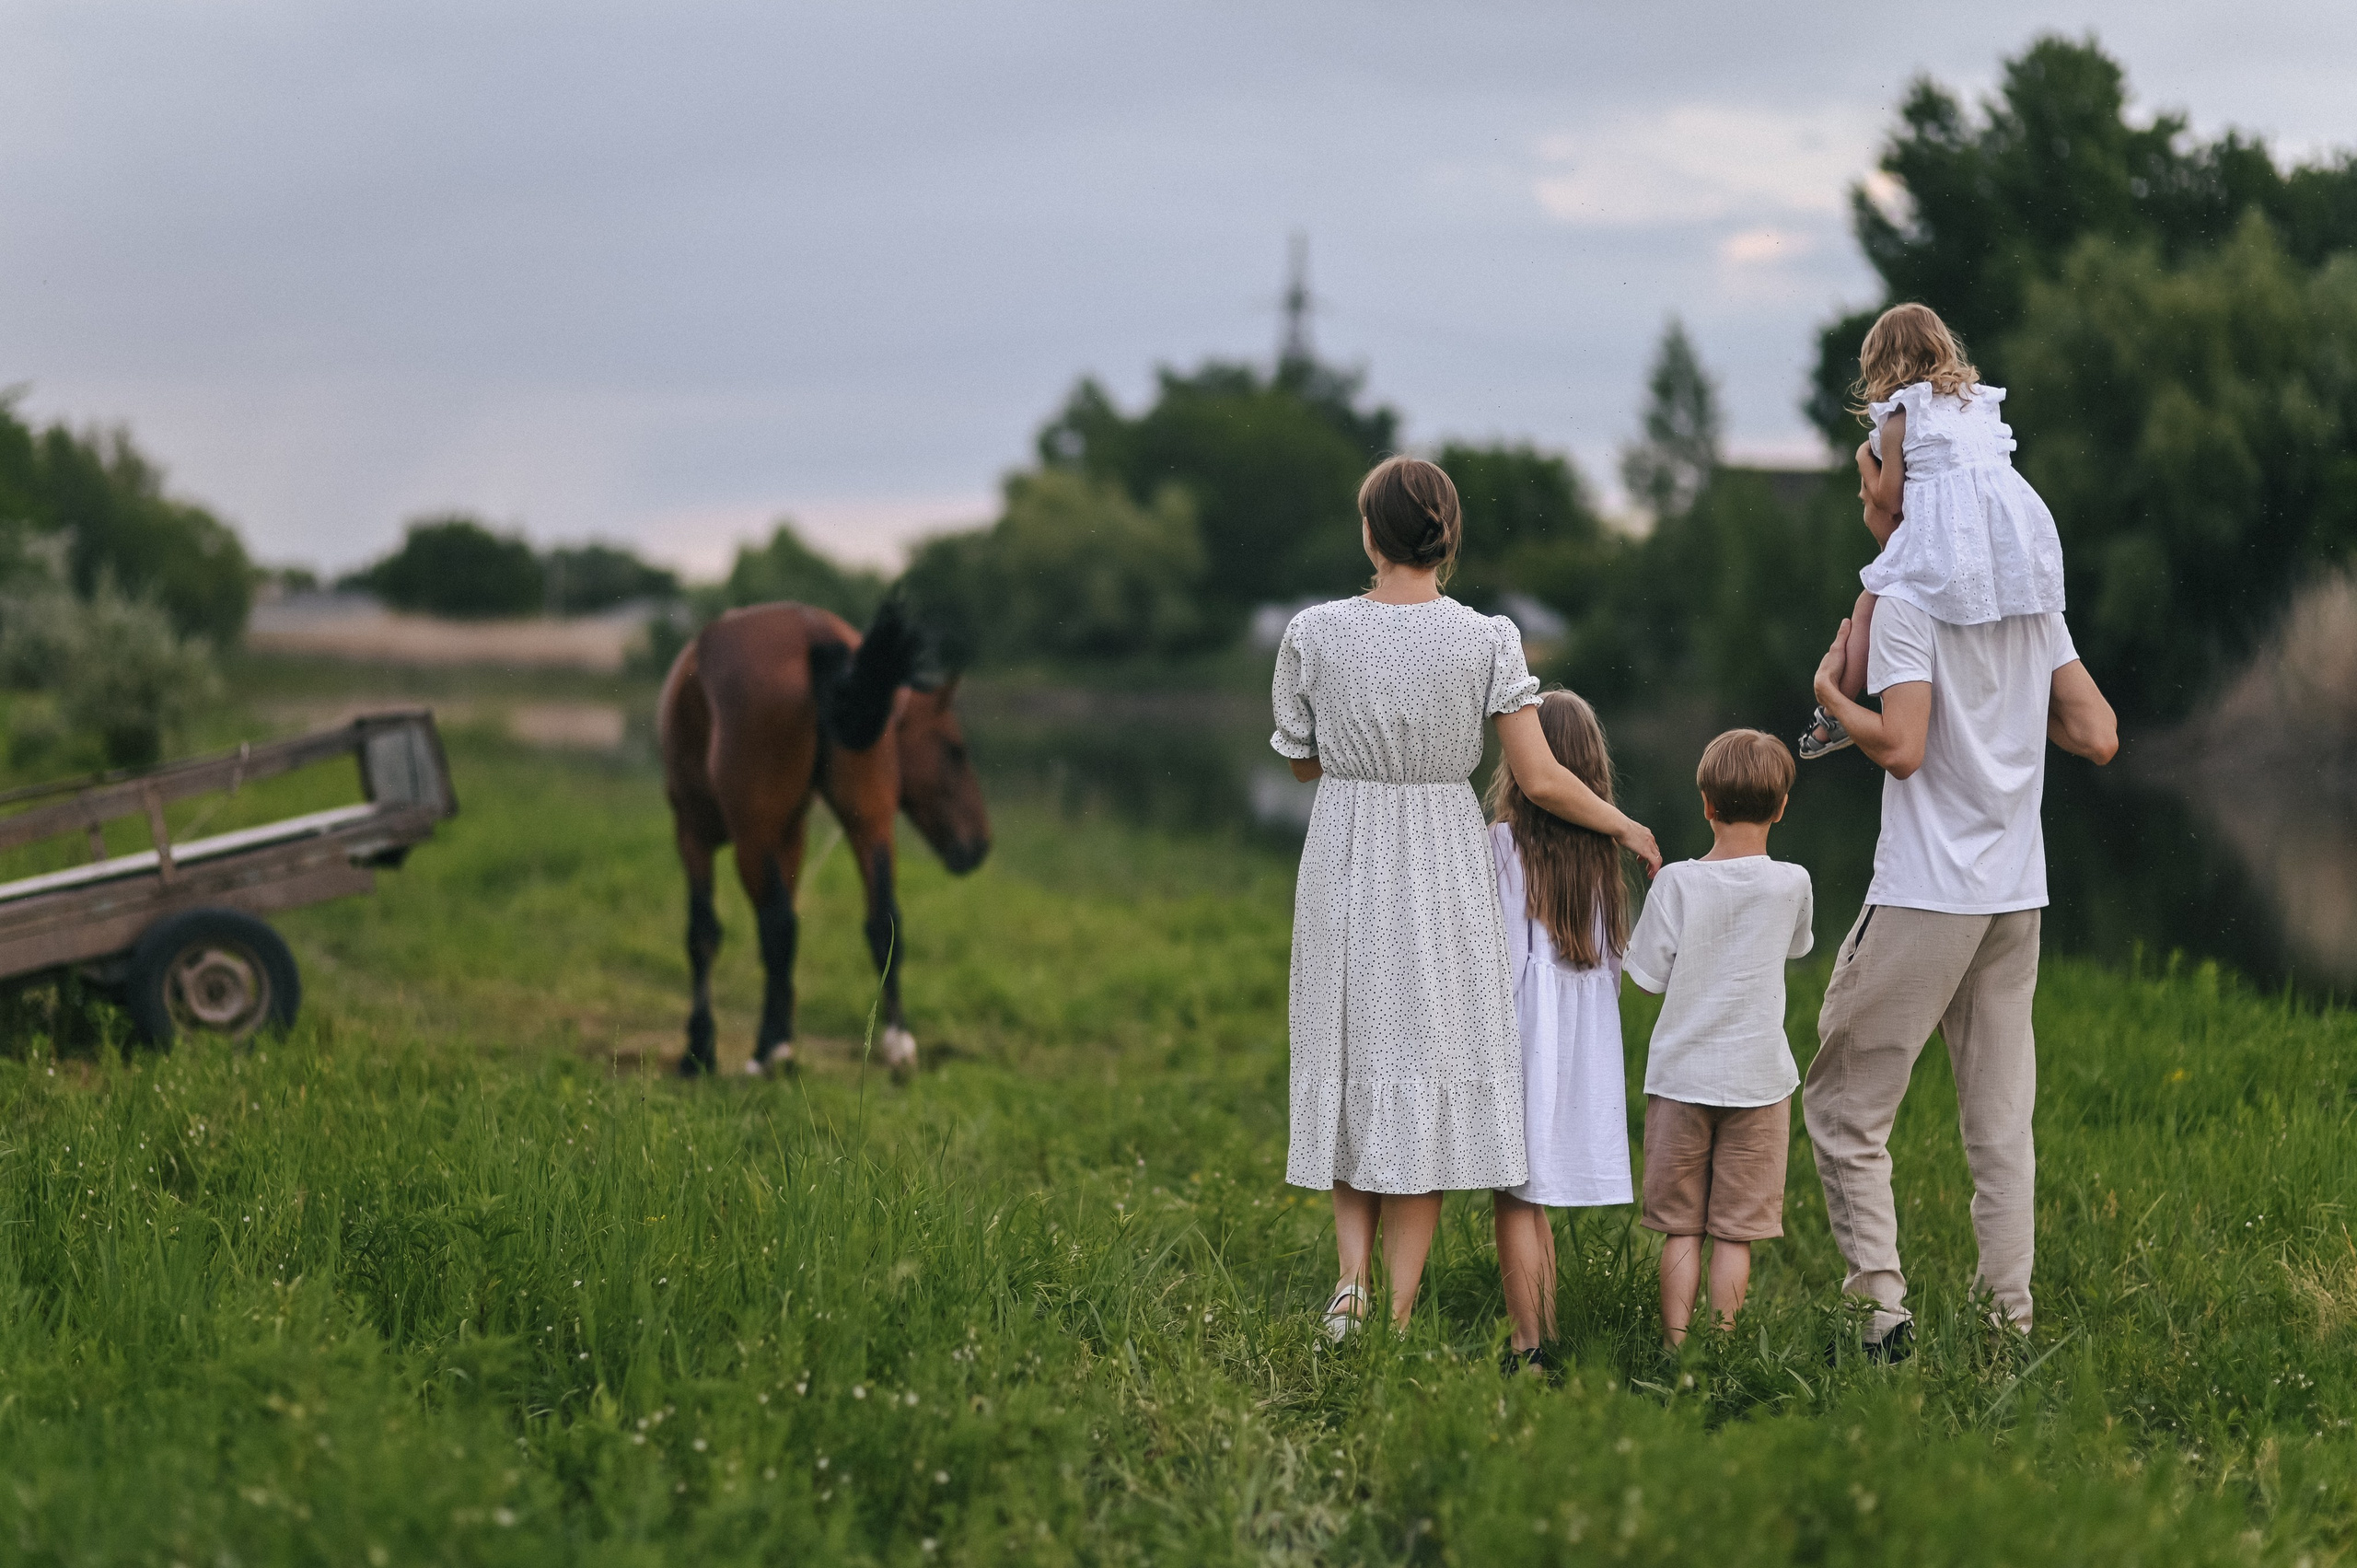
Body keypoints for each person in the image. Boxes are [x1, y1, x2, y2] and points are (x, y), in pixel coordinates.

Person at [1272, 456, 1662, 1340]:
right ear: (1449, 536)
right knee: (1425, 1063)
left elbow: (1301, 756)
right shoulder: (1487, 638)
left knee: (1350, 1048)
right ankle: (1399, 1311)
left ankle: (1350, 1288)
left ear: (1370, 535)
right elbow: (1541, 776)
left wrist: (1367, 744)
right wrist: (1626, 824)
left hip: (1347, 852)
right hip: (1443, 859)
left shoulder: (1314, 632)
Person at [1805, 522, 2119, 1358]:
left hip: (1927, 894)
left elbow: (1902, 748)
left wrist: (1836, 702)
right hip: (2015, 895)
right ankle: (2006, 1320)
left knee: (1843, 1106)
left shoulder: (1910, 600)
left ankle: (1881, 1322)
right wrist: (2007, 726)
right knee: (1999, 1120)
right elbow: (2097, 732)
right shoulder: (2030, 600)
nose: (1862, 489)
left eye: (1872, 468)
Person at [1801, 302, 2068, 760]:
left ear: (1884, 366)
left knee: (1868, 604)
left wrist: (1864, 459)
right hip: (2001, 545)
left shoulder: (1900, 419)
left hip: (1942, 547)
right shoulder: (1976, 404)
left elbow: (1889, 500)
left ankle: (1832, 716)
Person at [1623, 730, 1815, 1346]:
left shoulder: (1676, 882)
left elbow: (1647, 980)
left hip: (1681, 1078)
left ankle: (1676, 1346)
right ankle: (1724, 1348)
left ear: (1705, 802)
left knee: (1681, 1227)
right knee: (1735, 1232)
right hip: (1760, 1081)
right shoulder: (1793, 883)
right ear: (1783, 806)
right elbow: (1799, 946)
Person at [1483, 690, 1641, 1372]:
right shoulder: (1603, 858)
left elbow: (1492, 951)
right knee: (1534, 1190)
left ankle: (1529, 1347)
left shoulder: (1504, 844)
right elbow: (1612, 963)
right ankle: (1543, 1334)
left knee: (1515, 1193)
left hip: (1524, 1031)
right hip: (1582, 1037)